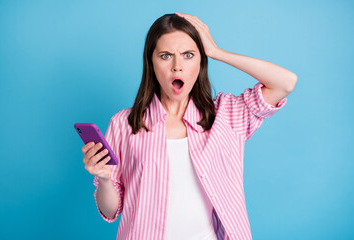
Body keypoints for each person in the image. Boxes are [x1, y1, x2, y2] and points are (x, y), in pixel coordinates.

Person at [81, 12, 297, 240]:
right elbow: (110, 210)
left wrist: (216, 51)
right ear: (151, 63)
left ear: (201, 61)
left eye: (188, 55)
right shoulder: (124, 124)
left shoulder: (226, 116)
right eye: (165, 56)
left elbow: (285, 82)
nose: (177, 67)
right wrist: (104, 178)